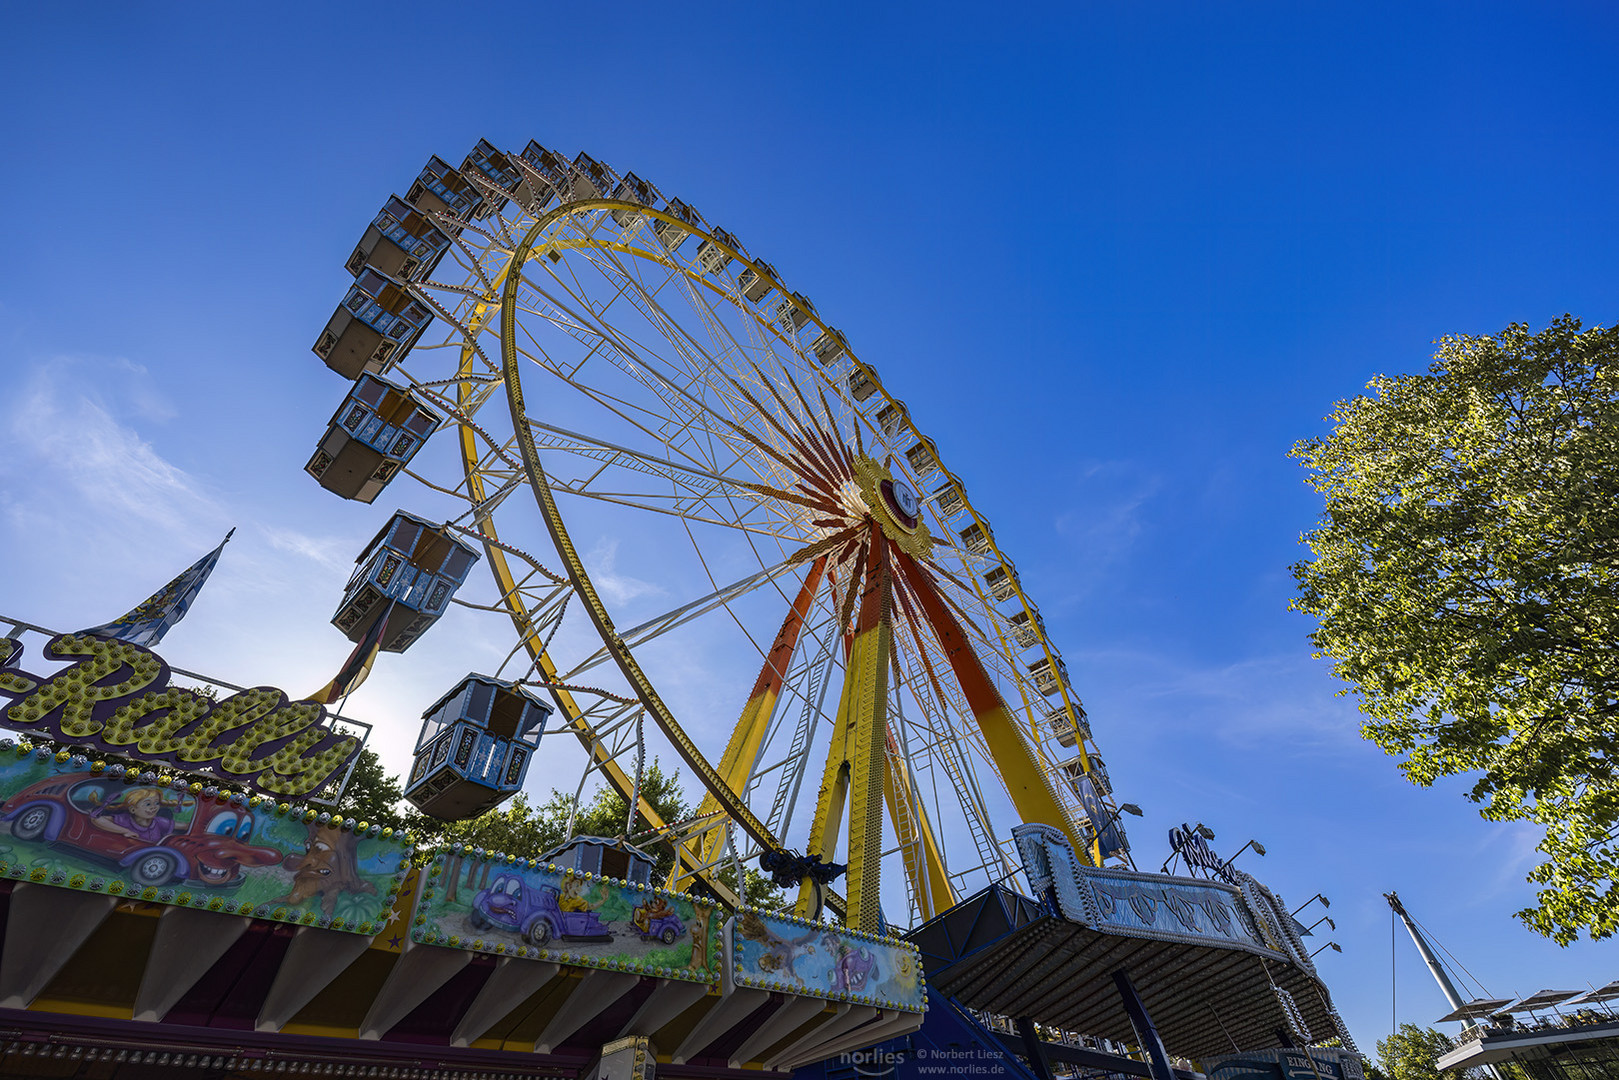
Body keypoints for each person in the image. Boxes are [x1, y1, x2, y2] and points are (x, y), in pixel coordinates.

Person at [90, 787, 175, 843]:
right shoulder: (125, 819)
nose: (153, 807)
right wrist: (126, 831)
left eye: (156, 803)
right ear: (133, 809)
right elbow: (97, 819)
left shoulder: (159, 821)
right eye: (148, 804)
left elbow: (185, 827)